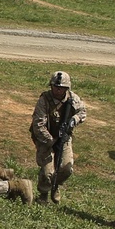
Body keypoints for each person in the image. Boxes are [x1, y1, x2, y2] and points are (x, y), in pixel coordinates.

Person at [29, 71, 87, 204]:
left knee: (66, 168)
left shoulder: (72, 98)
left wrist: (75, 119)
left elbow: (83, 111)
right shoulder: (44, 100)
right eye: (55, 87)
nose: (58, 90)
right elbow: (38, 125)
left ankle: (55, 185)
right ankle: (43, 193)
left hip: (64, 137)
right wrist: (51, 141)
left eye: (61, 88)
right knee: (47, 170)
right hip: (45, 138)